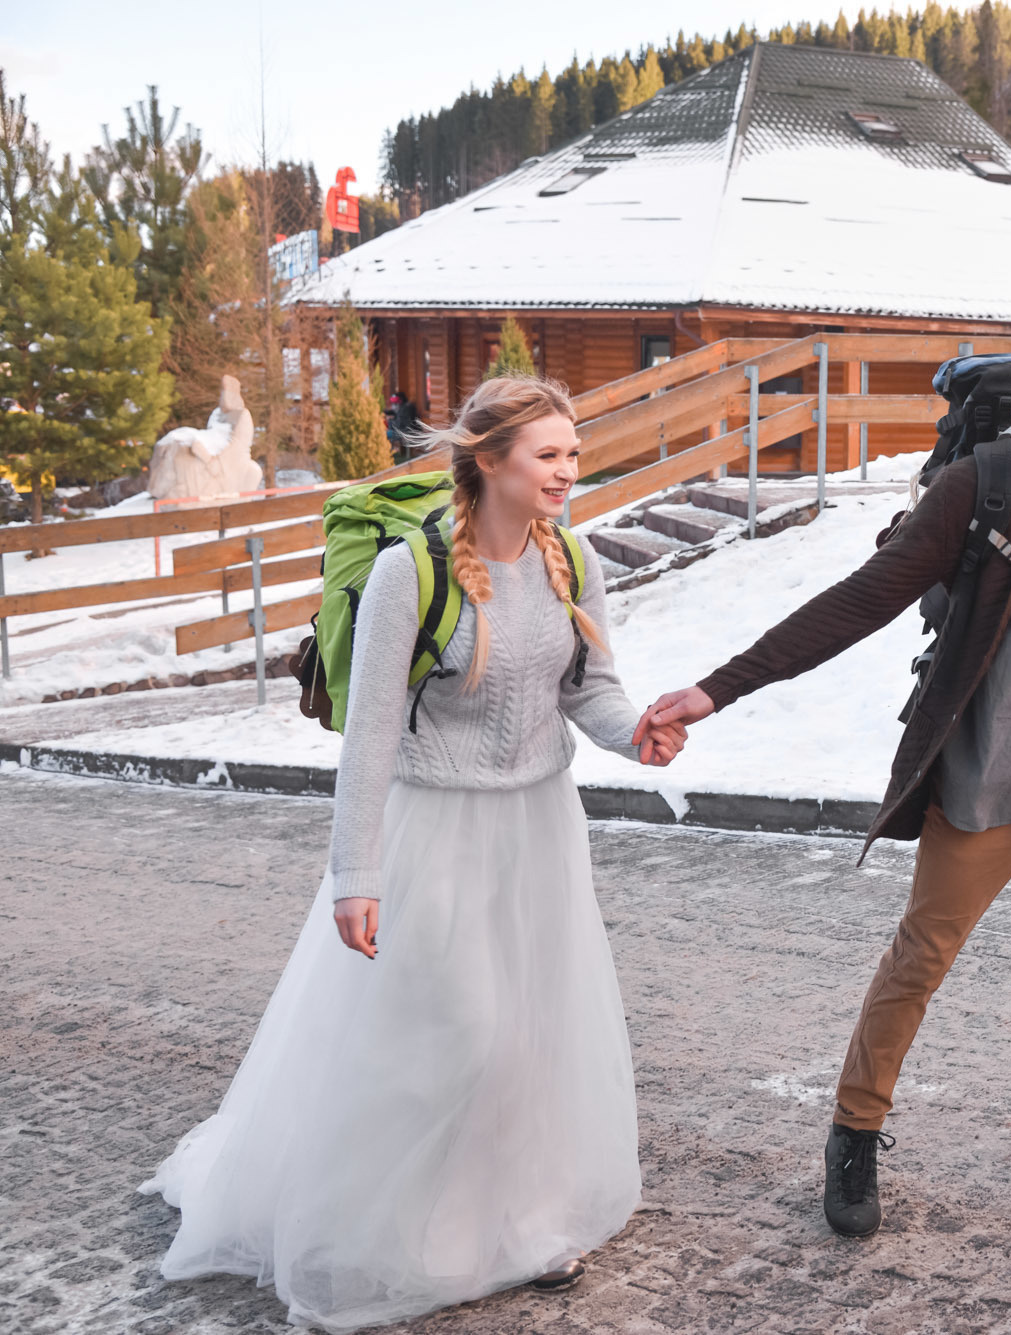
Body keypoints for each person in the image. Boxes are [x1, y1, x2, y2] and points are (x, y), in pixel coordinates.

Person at [634, 298, 1011, 1236]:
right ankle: (853, 1133)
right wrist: (715, 691)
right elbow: (864, 598)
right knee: (921, 957)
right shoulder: (986, 482)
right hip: (984, 772)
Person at [142, 376, 688, 1332]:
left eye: (572, 451)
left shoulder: (574, 559)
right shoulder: (410, 571)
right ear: (489, 461)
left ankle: (521, 1221)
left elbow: (589, 690)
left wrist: (632, 730)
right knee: (459, 1033)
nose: (569, 470)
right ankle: (405, 1233)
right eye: (548, 454)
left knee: (527, 1037)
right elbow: (371, 739)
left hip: (538, 829)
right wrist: (354, 875)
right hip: (431, 830)